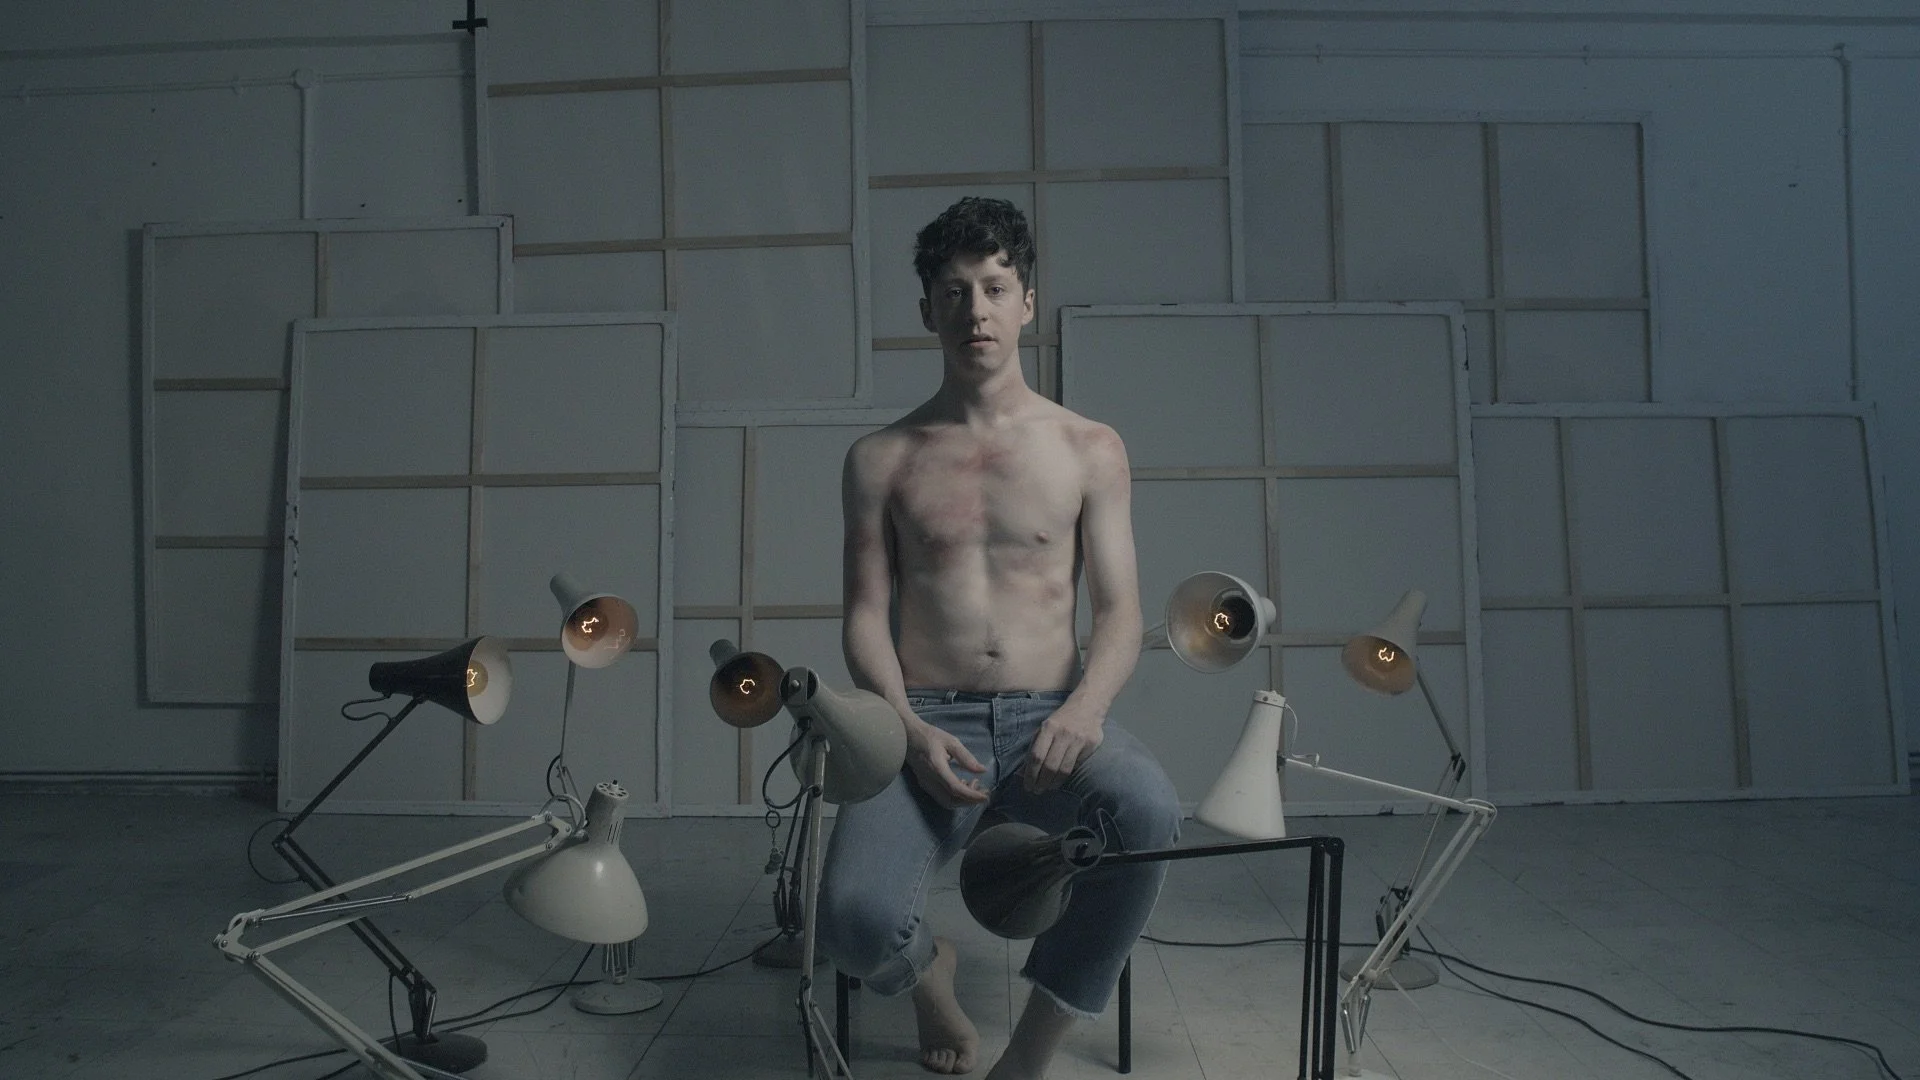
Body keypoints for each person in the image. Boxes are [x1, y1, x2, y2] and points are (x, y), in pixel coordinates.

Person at [817, 196, 1181, 1079]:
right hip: (923, 721)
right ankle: (928, 982)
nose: (974, 310)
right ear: (927, 310)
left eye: (993, 287)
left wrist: (1084, 713)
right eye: (953, 291)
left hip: (1052, 720)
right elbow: (864, 615)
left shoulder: (1090, 448)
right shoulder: (880, 457)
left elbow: (1121, 613)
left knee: (1148, 811)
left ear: (1026, 303)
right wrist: (907, 727)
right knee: (853, 922)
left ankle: (1029, 1054)